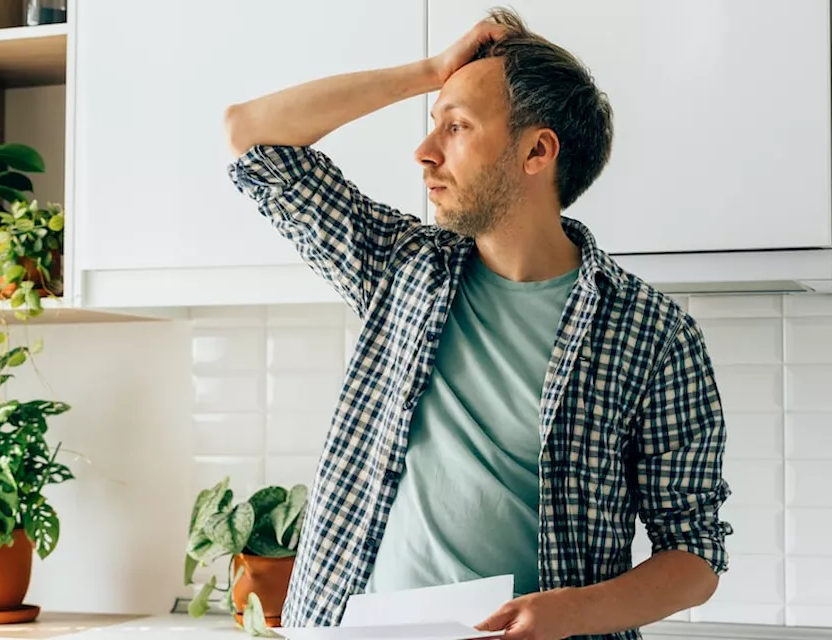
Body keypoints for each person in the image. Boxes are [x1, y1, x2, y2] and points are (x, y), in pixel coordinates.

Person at [223, 7, 732, 640]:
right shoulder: (398, 268)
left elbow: (694, 554)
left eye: (457, 126)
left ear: (537, 150)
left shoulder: (652, 335)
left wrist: (572, 612)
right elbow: (251, 136)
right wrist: (432, 72)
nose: (425, 152)